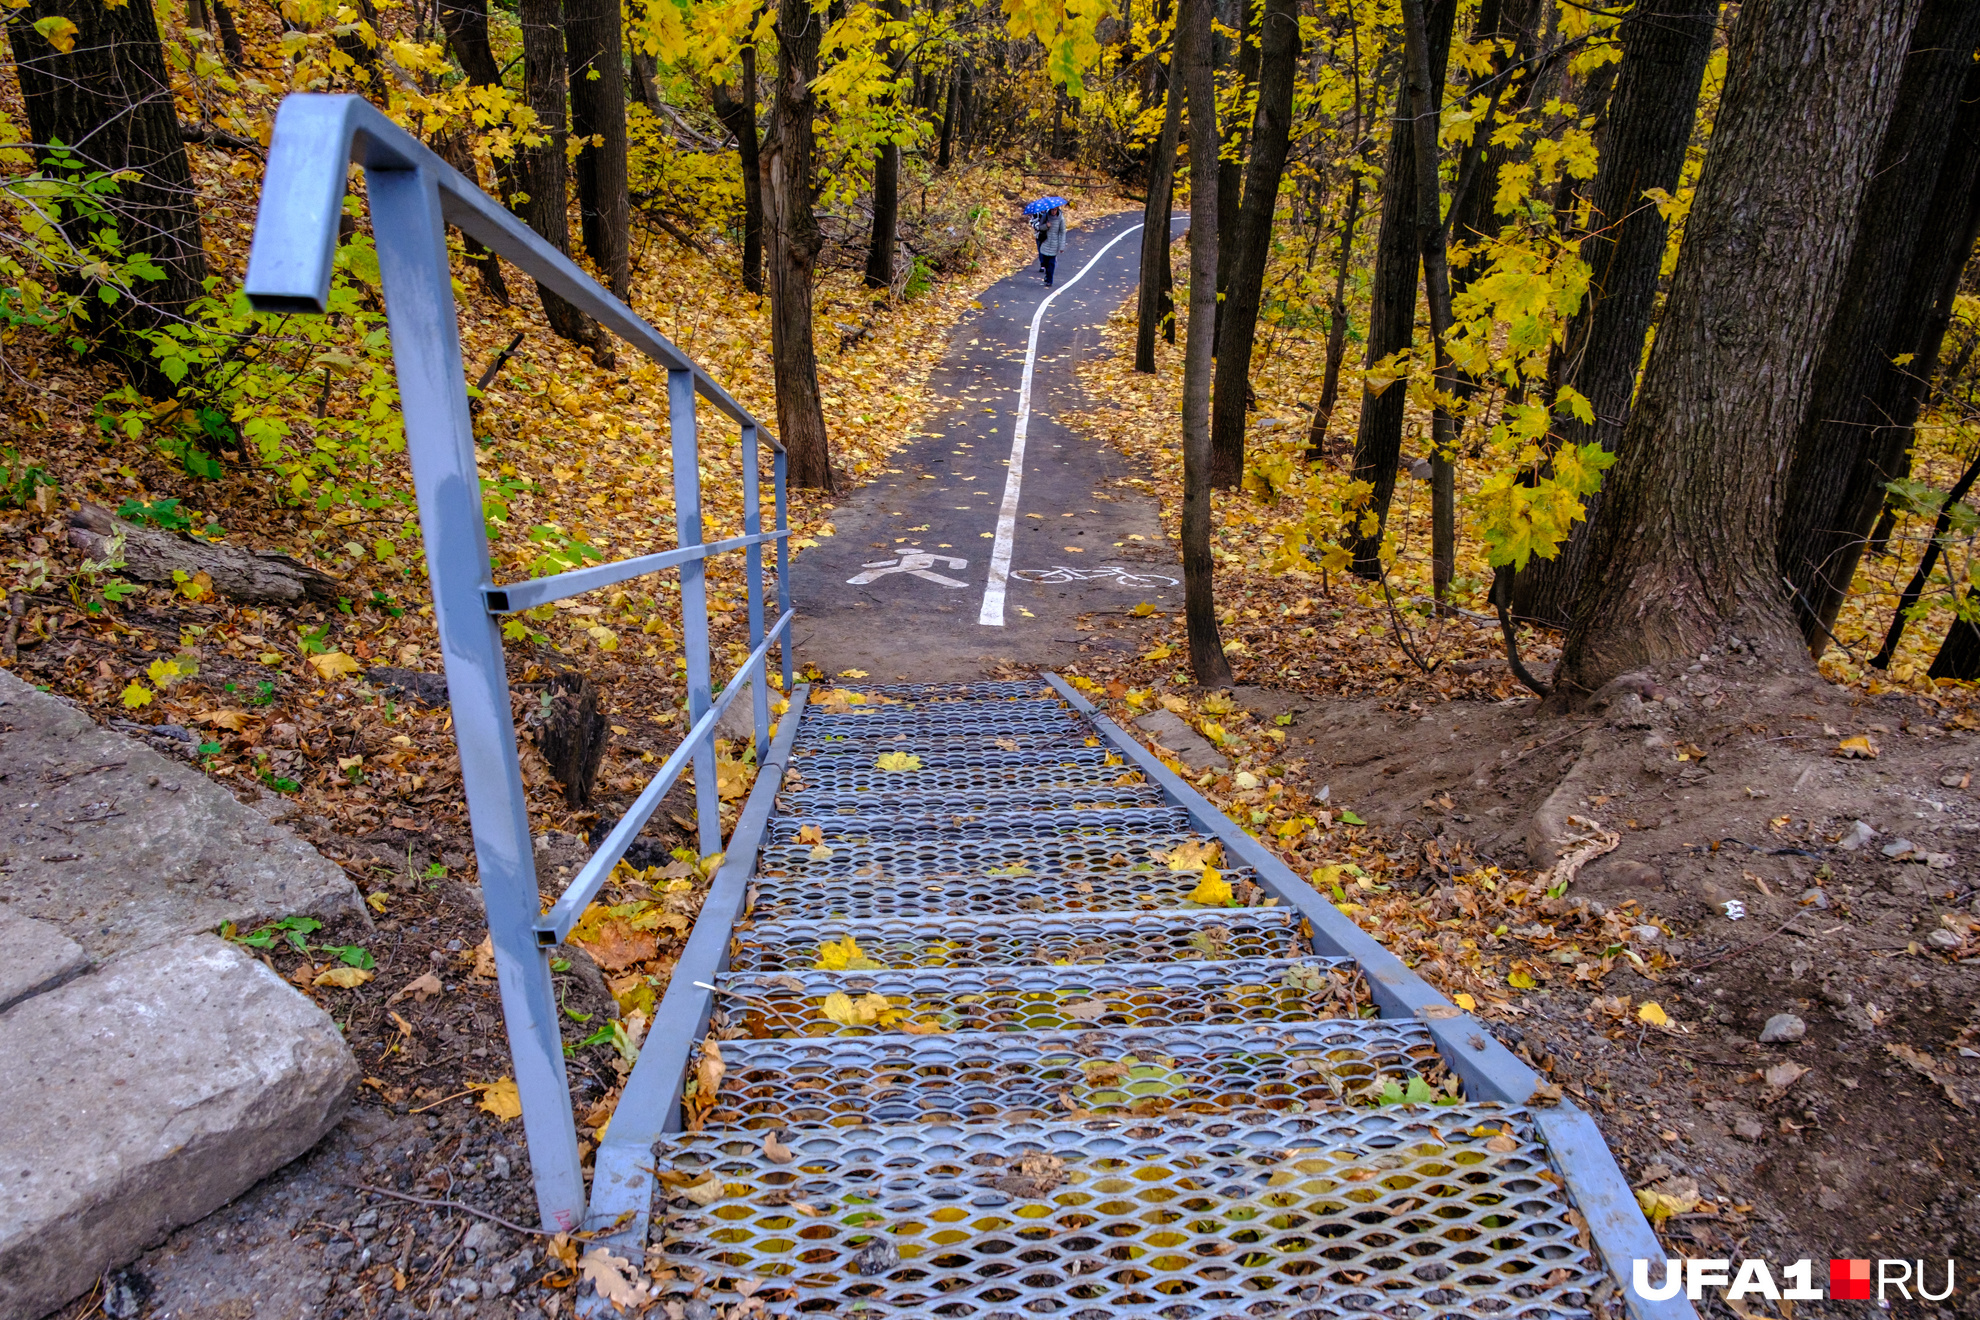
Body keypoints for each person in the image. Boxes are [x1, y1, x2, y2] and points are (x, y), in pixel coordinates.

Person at [1035, 203, 1066, 287]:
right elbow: (1040, 227)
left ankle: (1050, 280)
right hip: (1045, 242)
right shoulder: (1046, 216)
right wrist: (1046, 226)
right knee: (1045, 262)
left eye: (1055, 210)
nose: (1053, 212)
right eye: (1052, 210)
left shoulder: (1061, 219)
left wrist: (1061, 246)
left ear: (1058, 209)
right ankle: (1047, 275)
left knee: (1051, 263)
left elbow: (1062, 232)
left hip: (1054, 244)